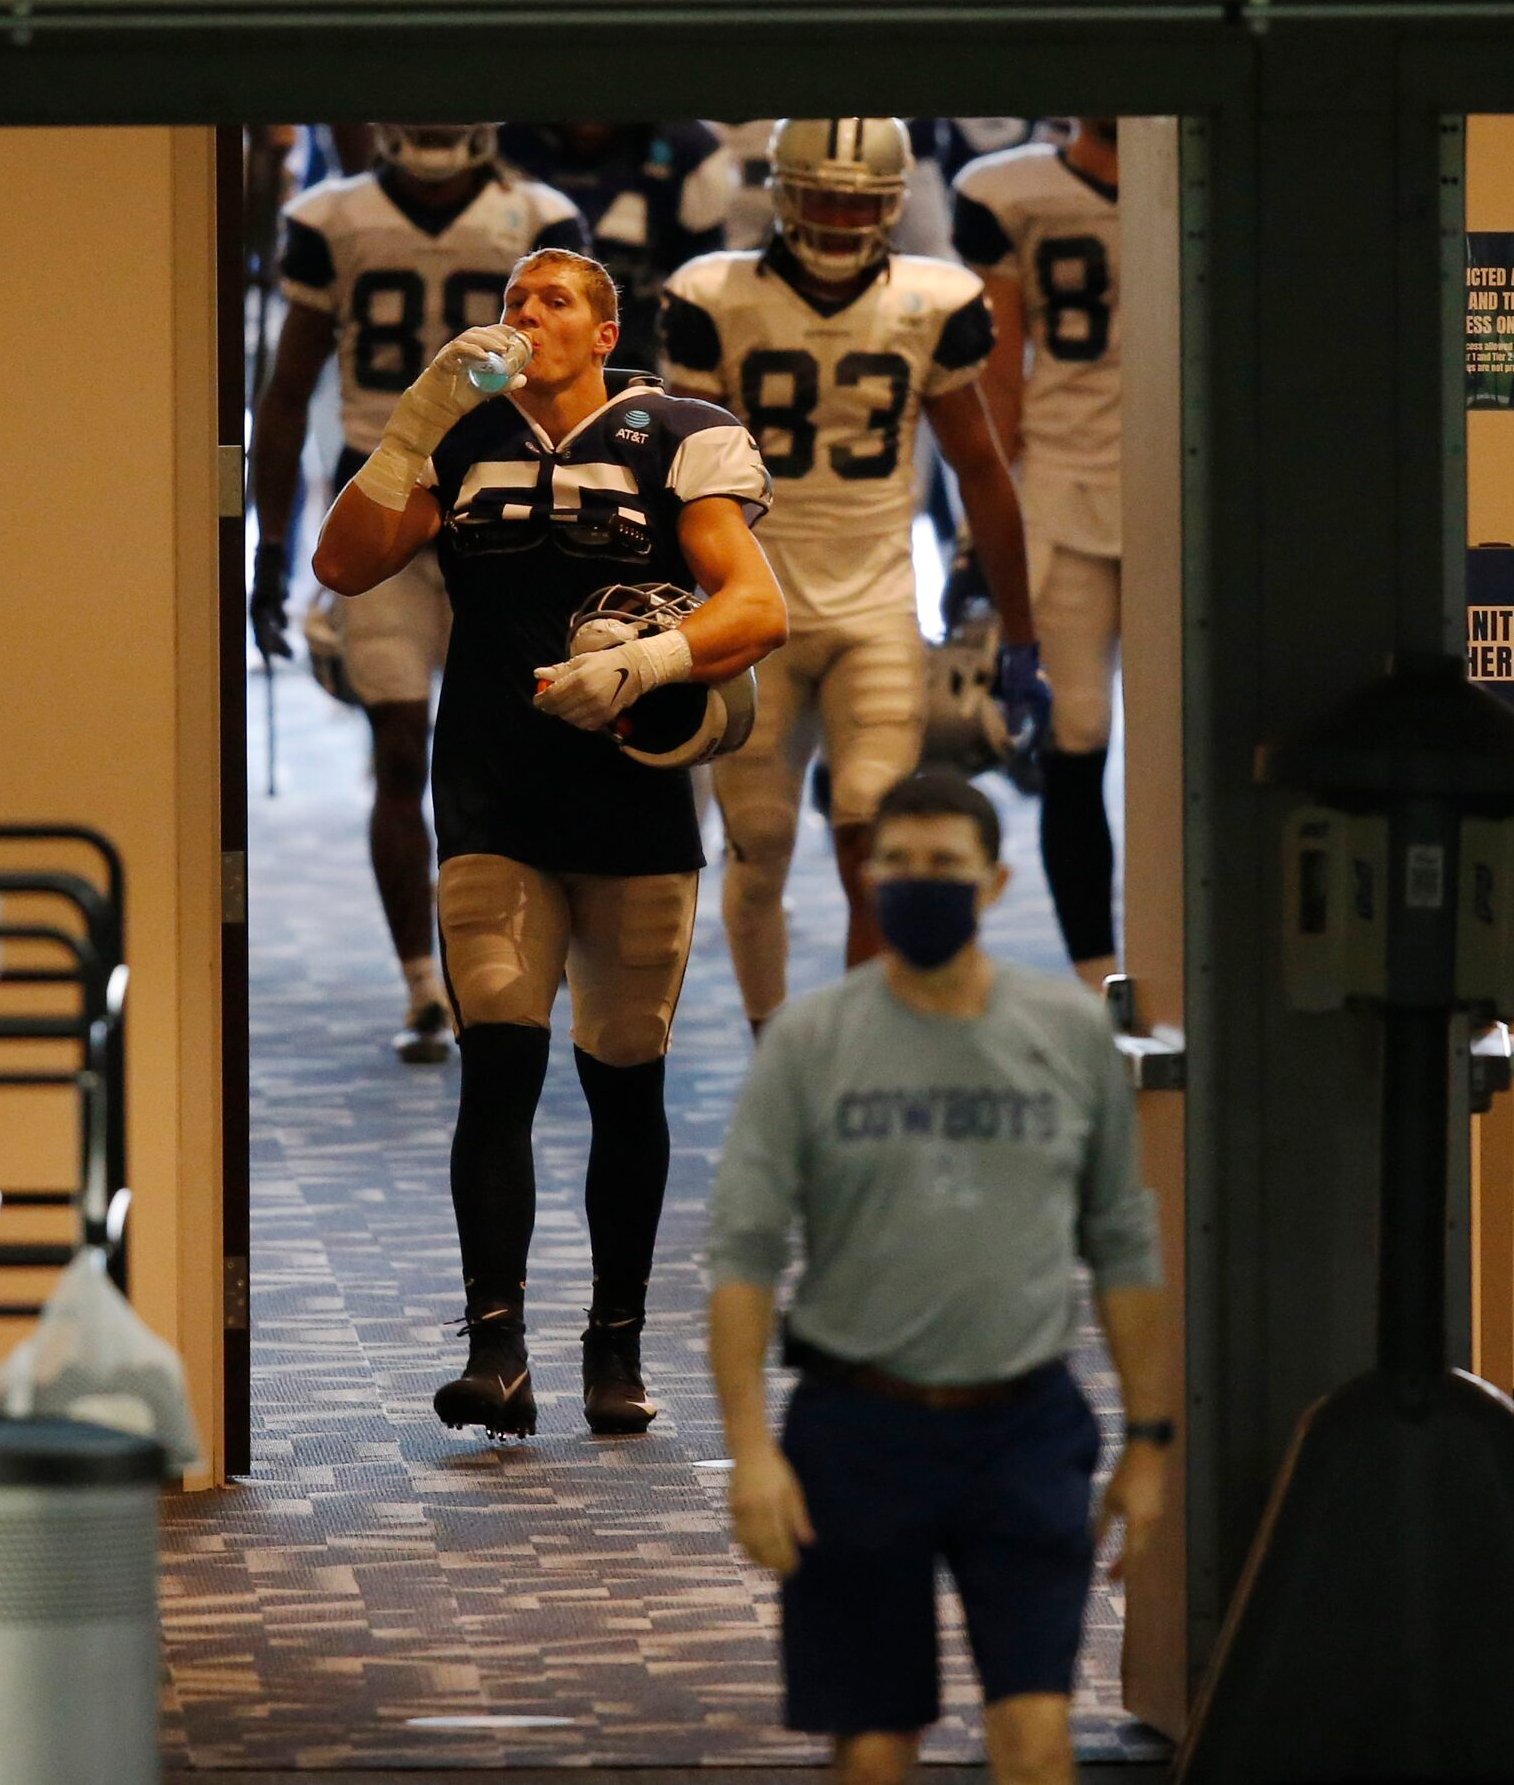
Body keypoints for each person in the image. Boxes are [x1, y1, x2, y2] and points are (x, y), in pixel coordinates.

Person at [311, 248, 786, 1437]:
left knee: (625, 1078)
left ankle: (614, 1346)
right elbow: (343, 563)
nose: (525, 316)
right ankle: (496, 1347)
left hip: (630, 795)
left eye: (553, 299)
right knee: (500, 1069)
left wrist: (644, 661)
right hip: (492, 792)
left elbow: (757, 606)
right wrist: (420, 413)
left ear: (607, 325)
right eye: (515, 299)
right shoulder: (461, 438)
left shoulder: (678, 432)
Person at [706, 771, 1169, 1785]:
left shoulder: (1067, 1032)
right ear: (867, 879)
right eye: (900, 864)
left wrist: (1147, 1440)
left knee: (1037, 1744)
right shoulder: (809, 1041)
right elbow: (741, 1254)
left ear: (993, 883)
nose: (920, 883)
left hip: (1026, 1429)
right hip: (857, 1431)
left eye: (944, 867)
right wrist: (749, 1452)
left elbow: (1124, 1242)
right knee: (872, 1753)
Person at [661, 118, 1046, 1035]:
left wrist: (1022, 636)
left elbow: (982, 470)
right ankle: (774, 1053)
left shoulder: (934, 299)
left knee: (874, 841)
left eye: (858, 199)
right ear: (785, 192)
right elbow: (686, 476)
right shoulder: (712, 295)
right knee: (757, 852)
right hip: (751, 604)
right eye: (822, 195)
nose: (837, 215)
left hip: (875, 602)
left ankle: (854, 1056)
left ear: (893, 205)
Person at [253, 122, 589, 1064]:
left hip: (512, 496)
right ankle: (422, 983)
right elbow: (287, 389)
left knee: (532, 731)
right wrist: (273, 545)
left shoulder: (540, 217)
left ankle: (515, 952)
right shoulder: (332, 217)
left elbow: (578, 379)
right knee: (400, 746)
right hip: (387, 493)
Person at [953, 117, 1125, 988]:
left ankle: (1196, 953)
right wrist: (978, 536)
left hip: (1189, 487)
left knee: (1200, 738)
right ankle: (1098, 974)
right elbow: (999, 377)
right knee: (1077, 733)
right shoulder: (1008, 191)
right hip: (1061, 485)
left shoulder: (1216, 168)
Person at [499, 123, 739, 374]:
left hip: (642, 347)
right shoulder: (510, 141)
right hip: (519, 346)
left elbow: (701, 285)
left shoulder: (686, 148)